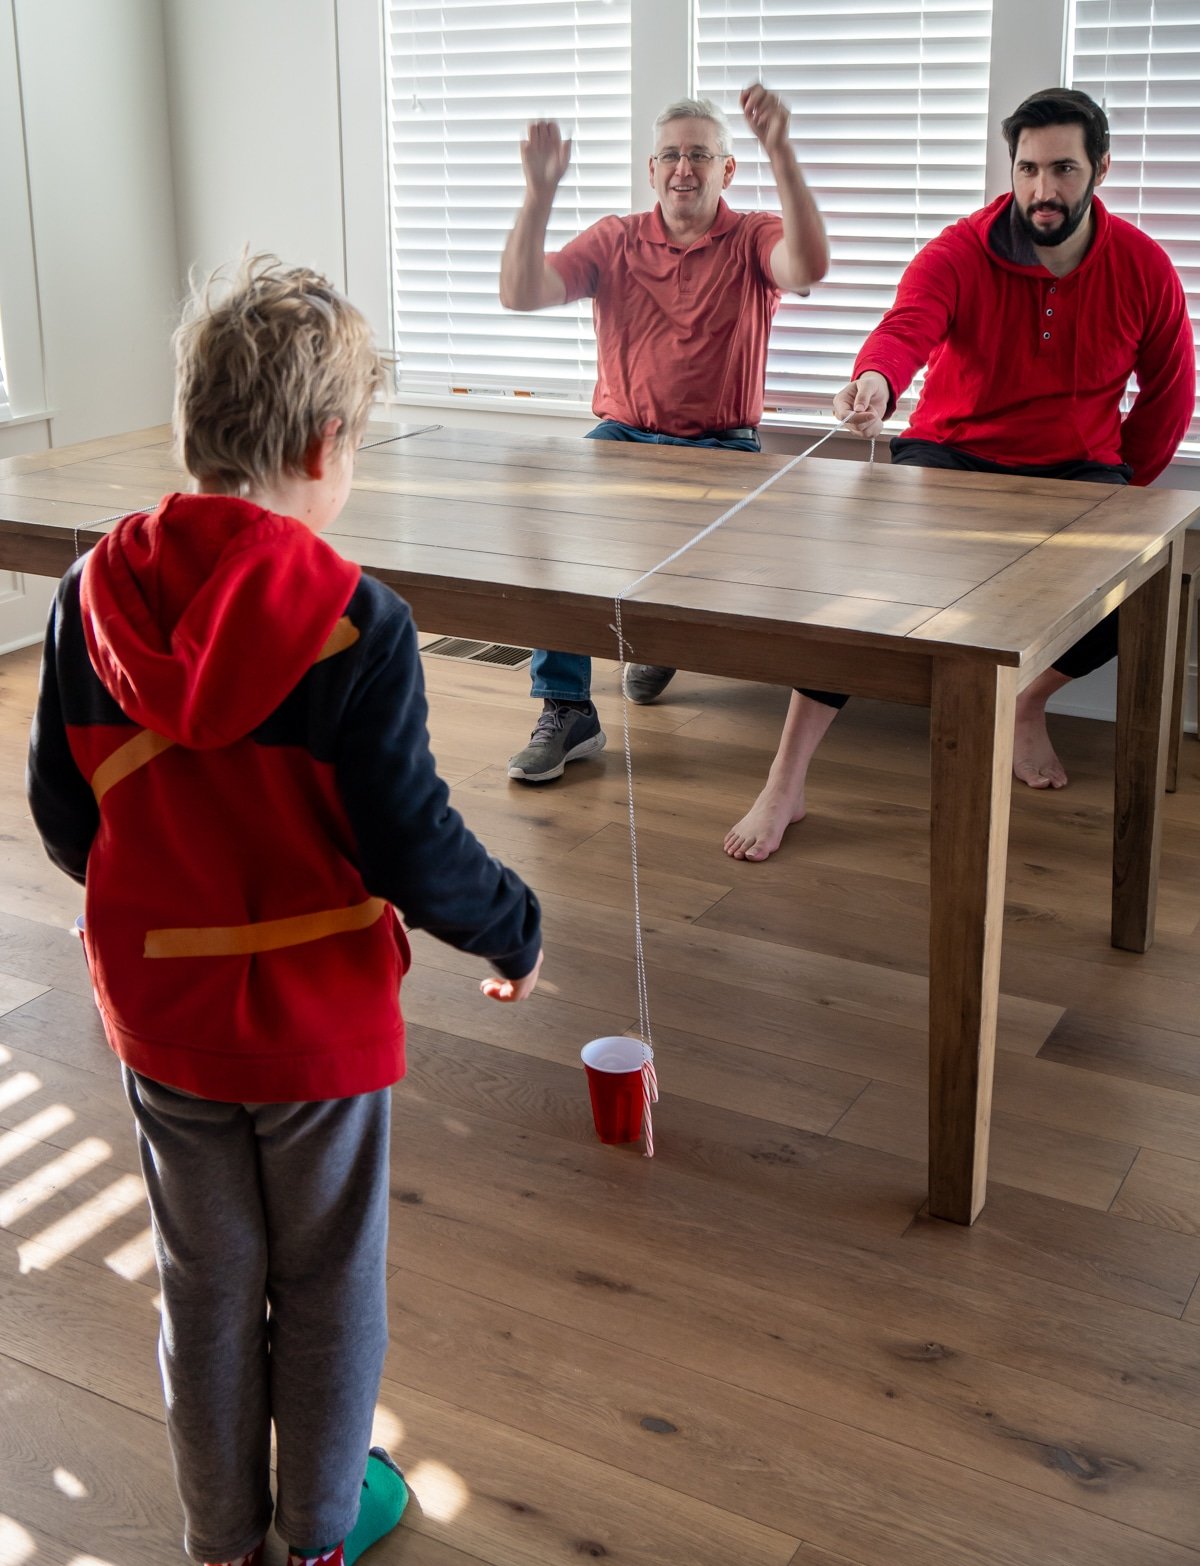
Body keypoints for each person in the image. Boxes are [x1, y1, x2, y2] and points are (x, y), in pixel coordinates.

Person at [26, 257, 543, 1566]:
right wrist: (514, 924)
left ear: (197, 428)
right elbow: (413, 848)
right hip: (316, 1030)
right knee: (326, 1278)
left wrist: (169, 895)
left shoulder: (85, 601)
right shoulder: (358, 624)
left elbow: (65, 824)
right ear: (325, 445)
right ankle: (316, 1534)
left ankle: (221, 1542)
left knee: (205, 1281)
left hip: (165, 1022)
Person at [724, 86, 1195, 863]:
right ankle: (786, 780)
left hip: (1077, 470)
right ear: (1011, 169)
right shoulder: (959, 249)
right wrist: (875, 381)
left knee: (1138, 584)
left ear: (1100, 169)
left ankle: (1026, 703)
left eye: (1064, 170)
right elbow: (905, 329)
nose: (1044, 190)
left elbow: (1170, 394)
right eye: (1029, 169)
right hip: (951, 456)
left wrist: (1119, 490)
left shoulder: (1143, 267)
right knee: (853, 589)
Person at [499, 85, 829, 783]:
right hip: (622, 438)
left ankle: (653, 639)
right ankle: (567, 708)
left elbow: (808, 269)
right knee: (549, 523)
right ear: (652, 170)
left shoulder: (753, 235)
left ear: (726, 171)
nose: (685, 169)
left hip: (724, 449)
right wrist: (538, 195)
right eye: (672, 156)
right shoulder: (616, 238)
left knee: (694, 568)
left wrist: (782, 149)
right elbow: (521, 293)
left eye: (700, 156)